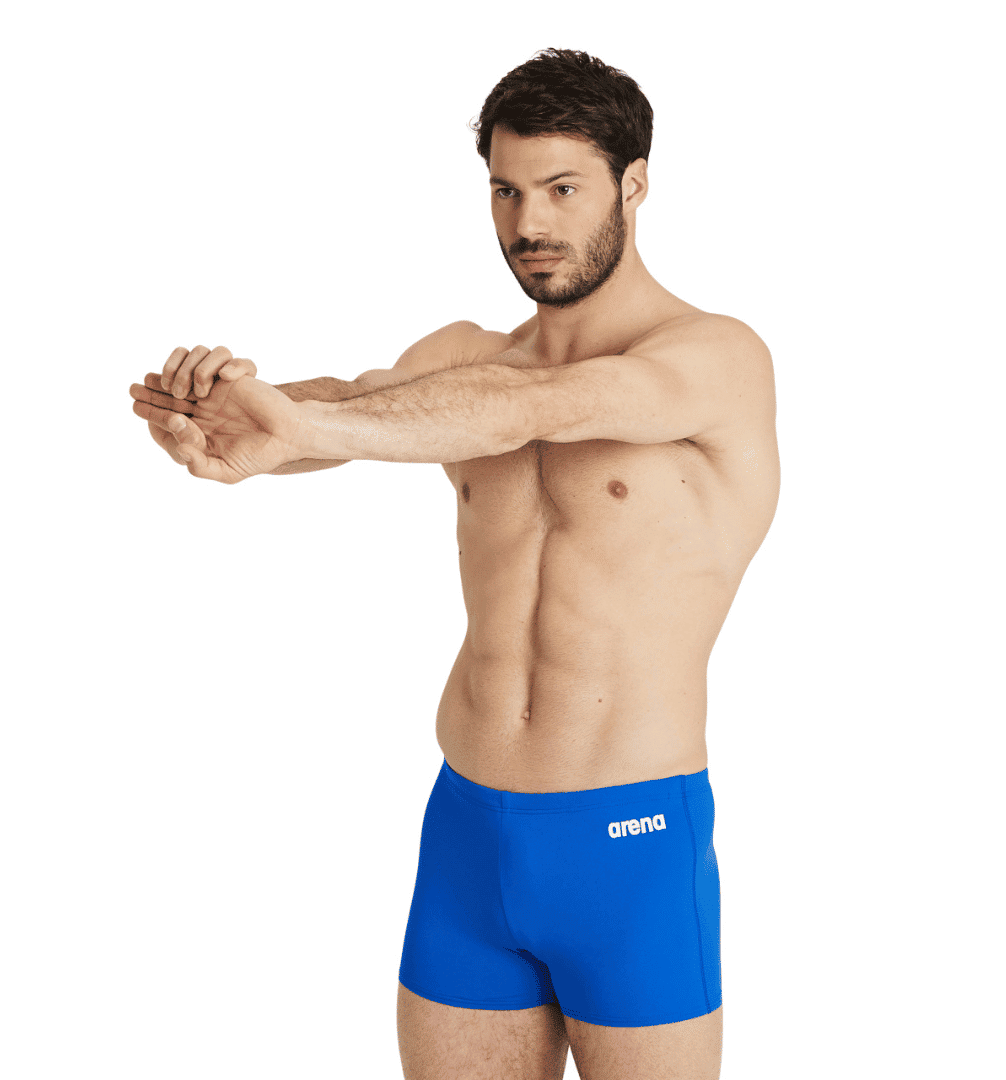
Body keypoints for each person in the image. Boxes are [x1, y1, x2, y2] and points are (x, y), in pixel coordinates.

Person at [130, 47, 780, 1080]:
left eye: (563, 189)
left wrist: (303, 425)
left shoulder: (713, 360)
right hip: (468, 833)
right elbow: (358, 403)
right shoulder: (467, 358)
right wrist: (235, 421)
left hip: (629, 842)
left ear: (635, 184)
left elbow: (541, 407)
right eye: (507, 191)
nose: (530, 223)